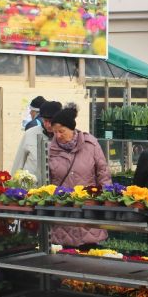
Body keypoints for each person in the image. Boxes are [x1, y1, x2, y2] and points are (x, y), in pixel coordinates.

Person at [47, 106, 112, 248]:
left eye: (61, 131)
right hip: (62, 217)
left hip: (88, 214)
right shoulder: (49, 150)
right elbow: (46, 182)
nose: (58, 135)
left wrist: (107, 202)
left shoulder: (91, 144)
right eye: (54, 132)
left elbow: (103, 174)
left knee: (90, 262)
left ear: (72, 129)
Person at [12, 100, 61, 177]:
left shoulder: (64, 135)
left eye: (51, 121)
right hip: (31, 186)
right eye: (45, 121)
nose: (48, 125)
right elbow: (19, 161)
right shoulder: (30, 133)